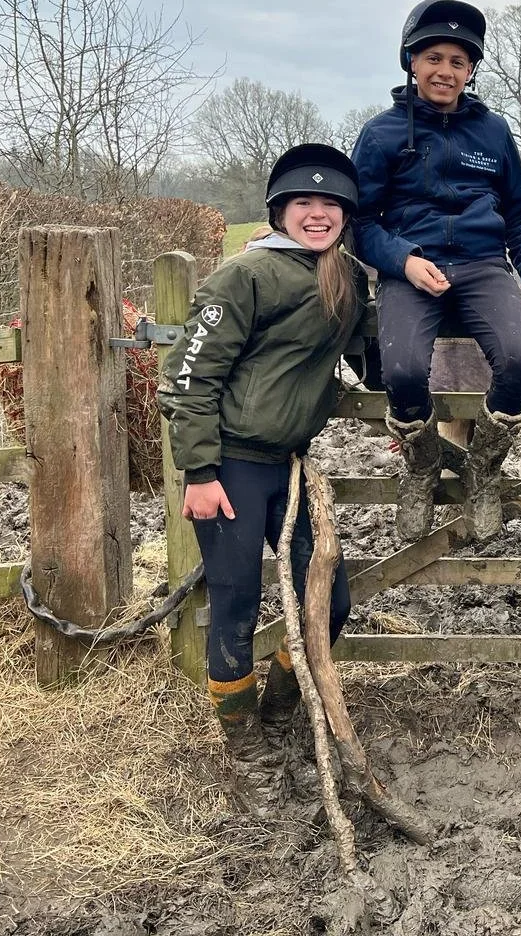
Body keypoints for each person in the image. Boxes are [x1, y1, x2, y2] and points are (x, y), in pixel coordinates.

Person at [157, 143, 368, 814]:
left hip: (292, 466)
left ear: (347, 214)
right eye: (304, 202)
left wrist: (405, 407)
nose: (317, 213)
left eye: (330, 203)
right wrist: (199, 471)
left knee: (331, 601)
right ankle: (244, 744)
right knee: (237, 604)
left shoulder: (347, 278)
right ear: (279, 211)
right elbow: (189, 376)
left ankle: (279, 712)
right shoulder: (243, 276)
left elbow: (368, 352)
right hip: (232, 467)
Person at [351, 0, 521, 542]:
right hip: (412, 269)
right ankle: (421, 467)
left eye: (458, 62)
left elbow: (518, 214)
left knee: (520, 360)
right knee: (402, 372)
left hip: (483, 265)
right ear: (411, 62)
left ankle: (483, 471)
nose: (445, 71)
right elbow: (360, 222)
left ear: (471, 70)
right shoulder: (380, 134)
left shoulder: (494, 132)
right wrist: (404, 261)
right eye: (434, 58)